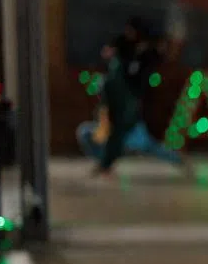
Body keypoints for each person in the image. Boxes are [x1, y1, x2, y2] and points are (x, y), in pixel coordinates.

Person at [77, 18, 187, 177]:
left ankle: (106, 164)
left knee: (145, 145)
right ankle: (105, 163)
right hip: (120, 118)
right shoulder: (118, 68)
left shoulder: (133, 63)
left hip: (127, 118)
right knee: (88, 134)